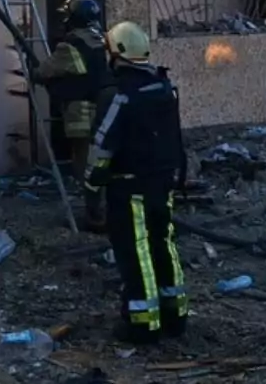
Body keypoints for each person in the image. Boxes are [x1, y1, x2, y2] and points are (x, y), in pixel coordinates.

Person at [84, 21, 188, 344]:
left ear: (117, 53)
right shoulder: (163, 88)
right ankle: (176, 313)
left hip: (129, 187)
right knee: (163, 243)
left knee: (136, 251)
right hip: (162, 182)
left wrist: (92, 180)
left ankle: (143, 323)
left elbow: (103, 144)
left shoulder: (122, 95)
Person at [30, 0, 109, 231]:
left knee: (84, 163)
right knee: (104, 161)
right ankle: (107, 210)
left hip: (82, 111)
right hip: (108, 109)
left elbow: (45, 71)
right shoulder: (104, 39)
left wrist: (32, 71)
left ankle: (95, 216)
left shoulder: (72, 45)